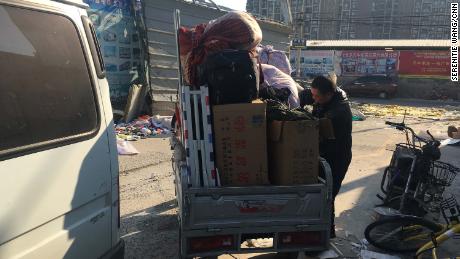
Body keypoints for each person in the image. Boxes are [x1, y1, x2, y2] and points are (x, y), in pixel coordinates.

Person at [299, 75, 353, 238]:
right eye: (313, 95)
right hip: (323, 154)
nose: (314, 99)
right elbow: (306, 95)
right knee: (319, 195)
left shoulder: (338, 113)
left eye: (317, 97)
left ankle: (323, 235)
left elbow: (318, 127)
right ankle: (322, 232)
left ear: (328, 95)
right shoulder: (326, 96)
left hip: (337, 158)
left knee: (327, 196)